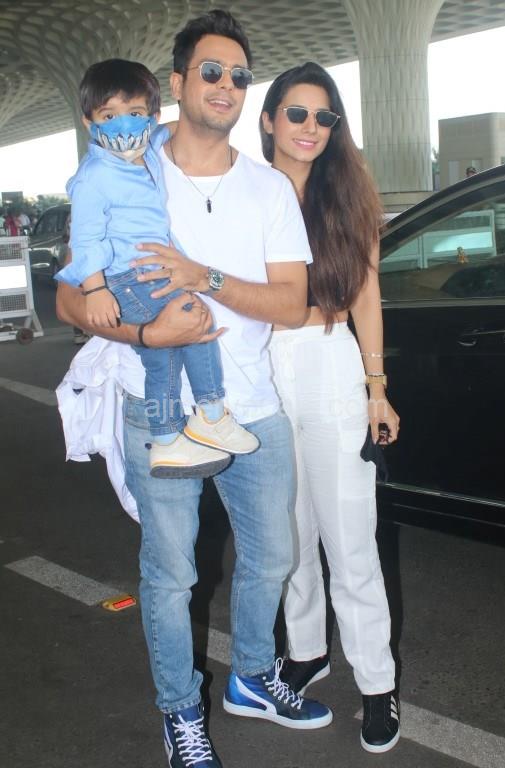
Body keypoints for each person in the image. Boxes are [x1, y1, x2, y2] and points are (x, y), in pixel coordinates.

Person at [56, 11, 332, 768]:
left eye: (239, 76)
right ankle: (181, 714)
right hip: (159, 409)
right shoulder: (126, 168)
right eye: (211, 71)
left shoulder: (268, 187)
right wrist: (149, 336)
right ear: (176, 82)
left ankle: (251, 676)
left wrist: (202, 278)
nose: (226, 85)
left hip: (253, 407)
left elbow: (290, 304)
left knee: (272, 557)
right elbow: (72, 300)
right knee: (171, 574)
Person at [259, 62, 401, 754]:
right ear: (268, 120)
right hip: (261, 367)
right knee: (286, 535)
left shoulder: (348, 193)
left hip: (329, 358)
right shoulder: (244, 191)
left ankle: (377, 681)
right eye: (296, 113)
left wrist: (376, 388)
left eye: (324, 116)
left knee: (349, 539)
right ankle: (307, 649)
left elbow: (367, 297)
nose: (310, 127)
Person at [56, 58, 258, 478]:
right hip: (127, 277)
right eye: (108, 116)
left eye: (135, 113)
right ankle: (210, 413)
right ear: (88, 122)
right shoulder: (93, 176)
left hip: (148, 270)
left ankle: (166, 439)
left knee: (163, 356)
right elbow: (85, 239)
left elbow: (173, 128)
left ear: (151, 116)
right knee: (195, 324)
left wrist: (198, 109)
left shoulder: (145, 150)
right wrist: (95, 290)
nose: (123, 125)